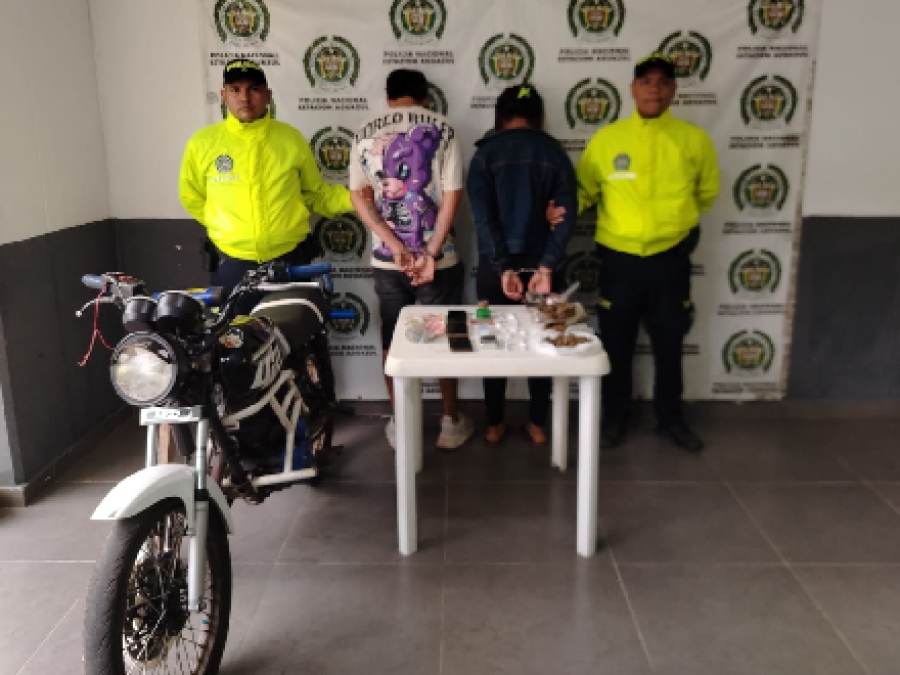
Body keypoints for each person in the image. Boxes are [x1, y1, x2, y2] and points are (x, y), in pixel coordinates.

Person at [576, 53, 720, 452]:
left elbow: (706, 194)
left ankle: (671, 419)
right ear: (632, 89)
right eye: (646, 81)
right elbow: (584, 192)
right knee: (616, 345)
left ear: (674, 90)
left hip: (670, 262)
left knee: (669, 345)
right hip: (619, 261)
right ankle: (615, 417)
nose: (654, 88)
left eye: (663, 82)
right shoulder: (607, 140)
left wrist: (670, 226)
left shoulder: (694, 140)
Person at [348, 69, 473, 450]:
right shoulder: (445, 127)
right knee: (445, 336)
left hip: (388, 261)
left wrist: (395, 246)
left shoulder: (363, 130)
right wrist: (430, 252)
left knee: (392, 337)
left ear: (388, 98)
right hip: (439, 260)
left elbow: (359, 196)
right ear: (425, 97)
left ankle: (401, 423)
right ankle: (450, 422)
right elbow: (452, 194)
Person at [179, 59, 353, 311]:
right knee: (234, 333)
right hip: (231, 265)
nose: (244, 98)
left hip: (289, 262)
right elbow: (191, 197)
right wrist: (228, 227)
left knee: (294, 332)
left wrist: (356, 199)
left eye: (254, 89)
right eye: (235, 89)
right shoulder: (202, 143)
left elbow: (315, 194)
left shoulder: (291, 139)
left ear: (268, 96)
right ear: (223, 96)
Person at [467, 84, 577, 445]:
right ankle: (538, 424)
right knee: (543, 342)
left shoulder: (484, 156)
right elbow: (565, 217)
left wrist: (504, 268)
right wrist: (545, 267)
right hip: (542, 265)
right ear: (539, 117)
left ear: (499, 117)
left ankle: (494, 424)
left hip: (496, 268)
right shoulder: (555, 154)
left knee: (492, 341)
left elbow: (484, 220)